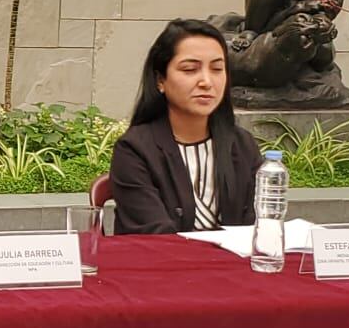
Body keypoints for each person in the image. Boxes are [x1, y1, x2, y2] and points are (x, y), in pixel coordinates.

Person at [110, 19, 264, 234]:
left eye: (217, 69)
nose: (206, 82)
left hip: (236, 257)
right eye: (190, 69)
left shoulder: (242, 144)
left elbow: (259, 225)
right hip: (165, 256)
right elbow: (154, 234)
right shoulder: (135, 150)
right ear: (160, 80)